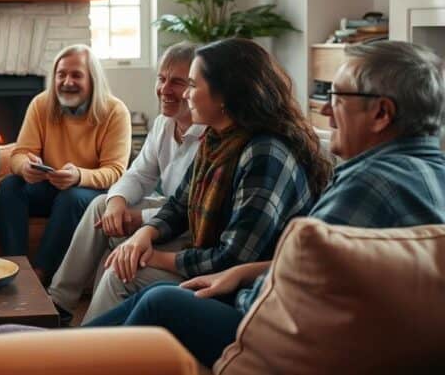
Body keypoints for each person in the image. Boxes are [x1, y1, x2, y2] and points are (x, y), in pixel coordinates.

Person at [81, 40, 445, 368]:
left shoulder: (365, 186)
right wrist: (237, 273)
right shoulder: (426, 171)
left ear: (381, 113)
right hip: (283, 303)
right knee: (152, 293)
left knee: (160, 301)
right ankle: (66, 353)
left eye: (336, 98)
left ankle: (64, 357)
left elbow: (282, 290)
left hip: (284, 334)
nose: (327, 111)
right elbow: (317, 262)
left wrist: (234, 280)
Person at [75, 38, 327, 324]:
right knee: (122, 265)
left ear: (224, 96)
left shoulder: (264, 154)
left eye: (192, 85)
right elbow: (180, 204)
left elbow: (232, 258)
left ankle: (81, 346)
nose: (185, 94)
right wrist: (145, 235)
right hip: (217, 270)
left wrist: (153, 257)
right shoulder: (217, 138)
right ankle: (81, 342)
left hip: (250, 291)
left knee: (122, 274)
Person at [48, 42, 204, 325]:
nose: (164, 89)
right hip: (169, 213)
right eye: (161, 79)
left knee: (116, 255)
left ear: (195, 86)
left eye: (177, 82)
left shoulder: (211, 135)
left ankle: (87, 337)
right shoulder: (163, 124)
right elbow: (139, 174)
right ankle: (59, 304)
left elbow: (194, 209)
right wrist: (116, 202)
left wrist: (140, 219)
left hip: (188, 229)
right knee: (101, 205)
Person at [0, 44, 132, 284]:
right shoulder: (41, 104)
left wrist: (79, 176)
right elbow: (20, 154)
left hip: (90, 191)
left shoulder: (115, 111)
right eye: (61, 75)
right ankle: (15, 268)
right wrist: (25, 167)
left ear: (93, 79)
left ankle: (41, 274)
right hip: (50, 184)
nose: (67, 82)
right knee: (10, 186)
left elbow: (116, 171)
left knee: (71, 197)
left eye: (76, 75)